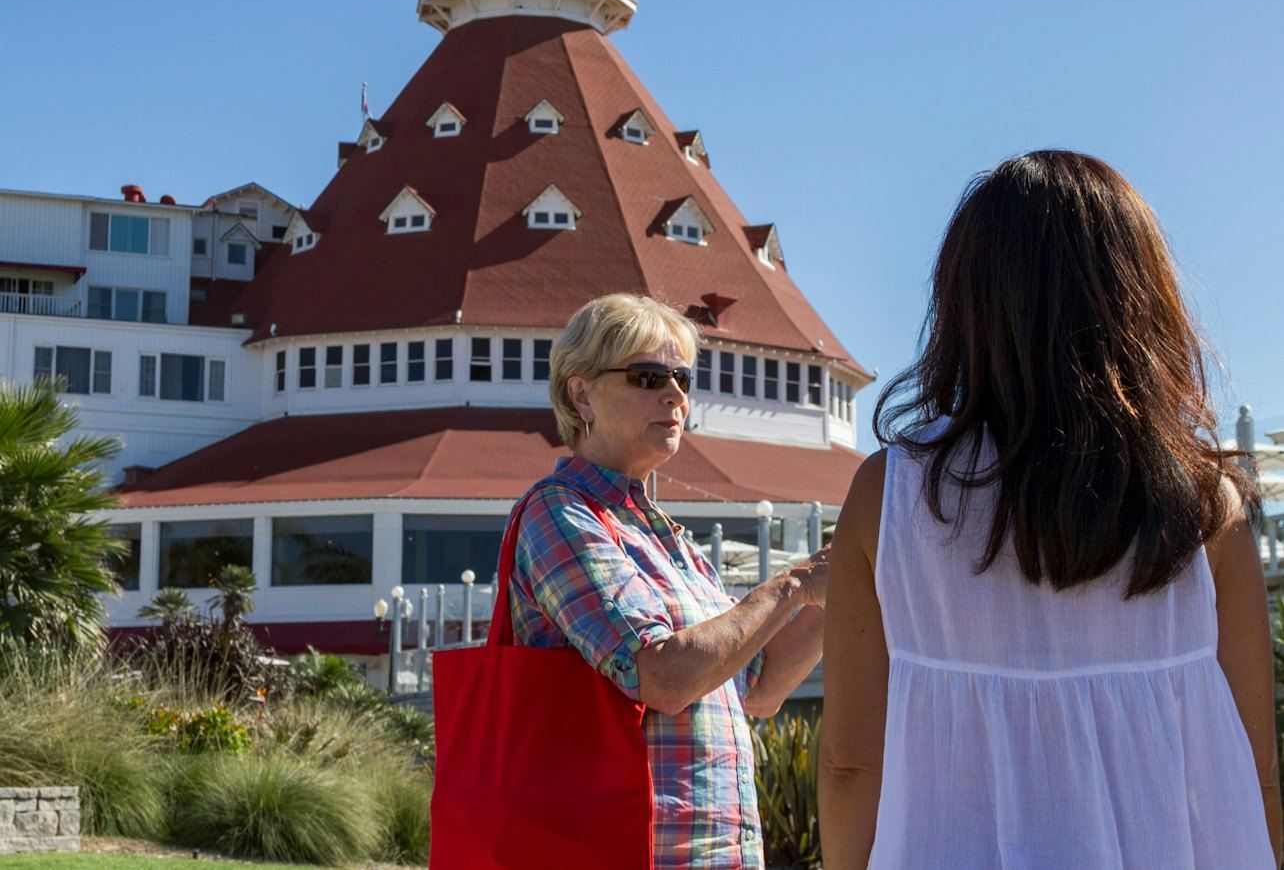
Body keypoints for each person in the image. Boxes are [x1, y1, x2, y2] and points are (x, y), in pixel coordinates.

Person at [819, 150, 1281, 869]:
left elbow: (852, 765)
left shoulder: (892, 494)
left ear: (968, 300)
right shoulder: (1204, 503)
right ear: (1142, 296)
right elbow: (1254, 773)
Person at [506, 292, 829, 869]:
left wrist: (847, 576)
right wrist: (791, 585)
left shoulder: (666, 537)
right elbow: (662, 676)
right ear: (581, 394)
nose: (676, 395)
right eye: (648, 376)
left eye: (682, 376)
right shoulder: (559, 512)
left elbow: (759, 687)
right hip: (623, 850)